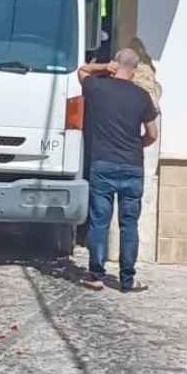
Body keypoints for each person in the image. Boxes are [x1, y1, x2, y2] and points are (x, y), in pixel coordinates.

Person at [78, 48, 159, 293]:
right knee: (129, 224)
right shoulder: (142, 96)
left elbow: (81, 70)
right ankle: (127, 280)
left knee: (99, 221)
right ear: (134, 70)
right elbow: (152, 134)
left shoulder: (97, 88)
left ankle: (96, 275)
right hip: (132, 166)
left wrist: (103, 67)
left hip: (103, 165)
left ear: (115, 64)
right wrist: (137, 145)